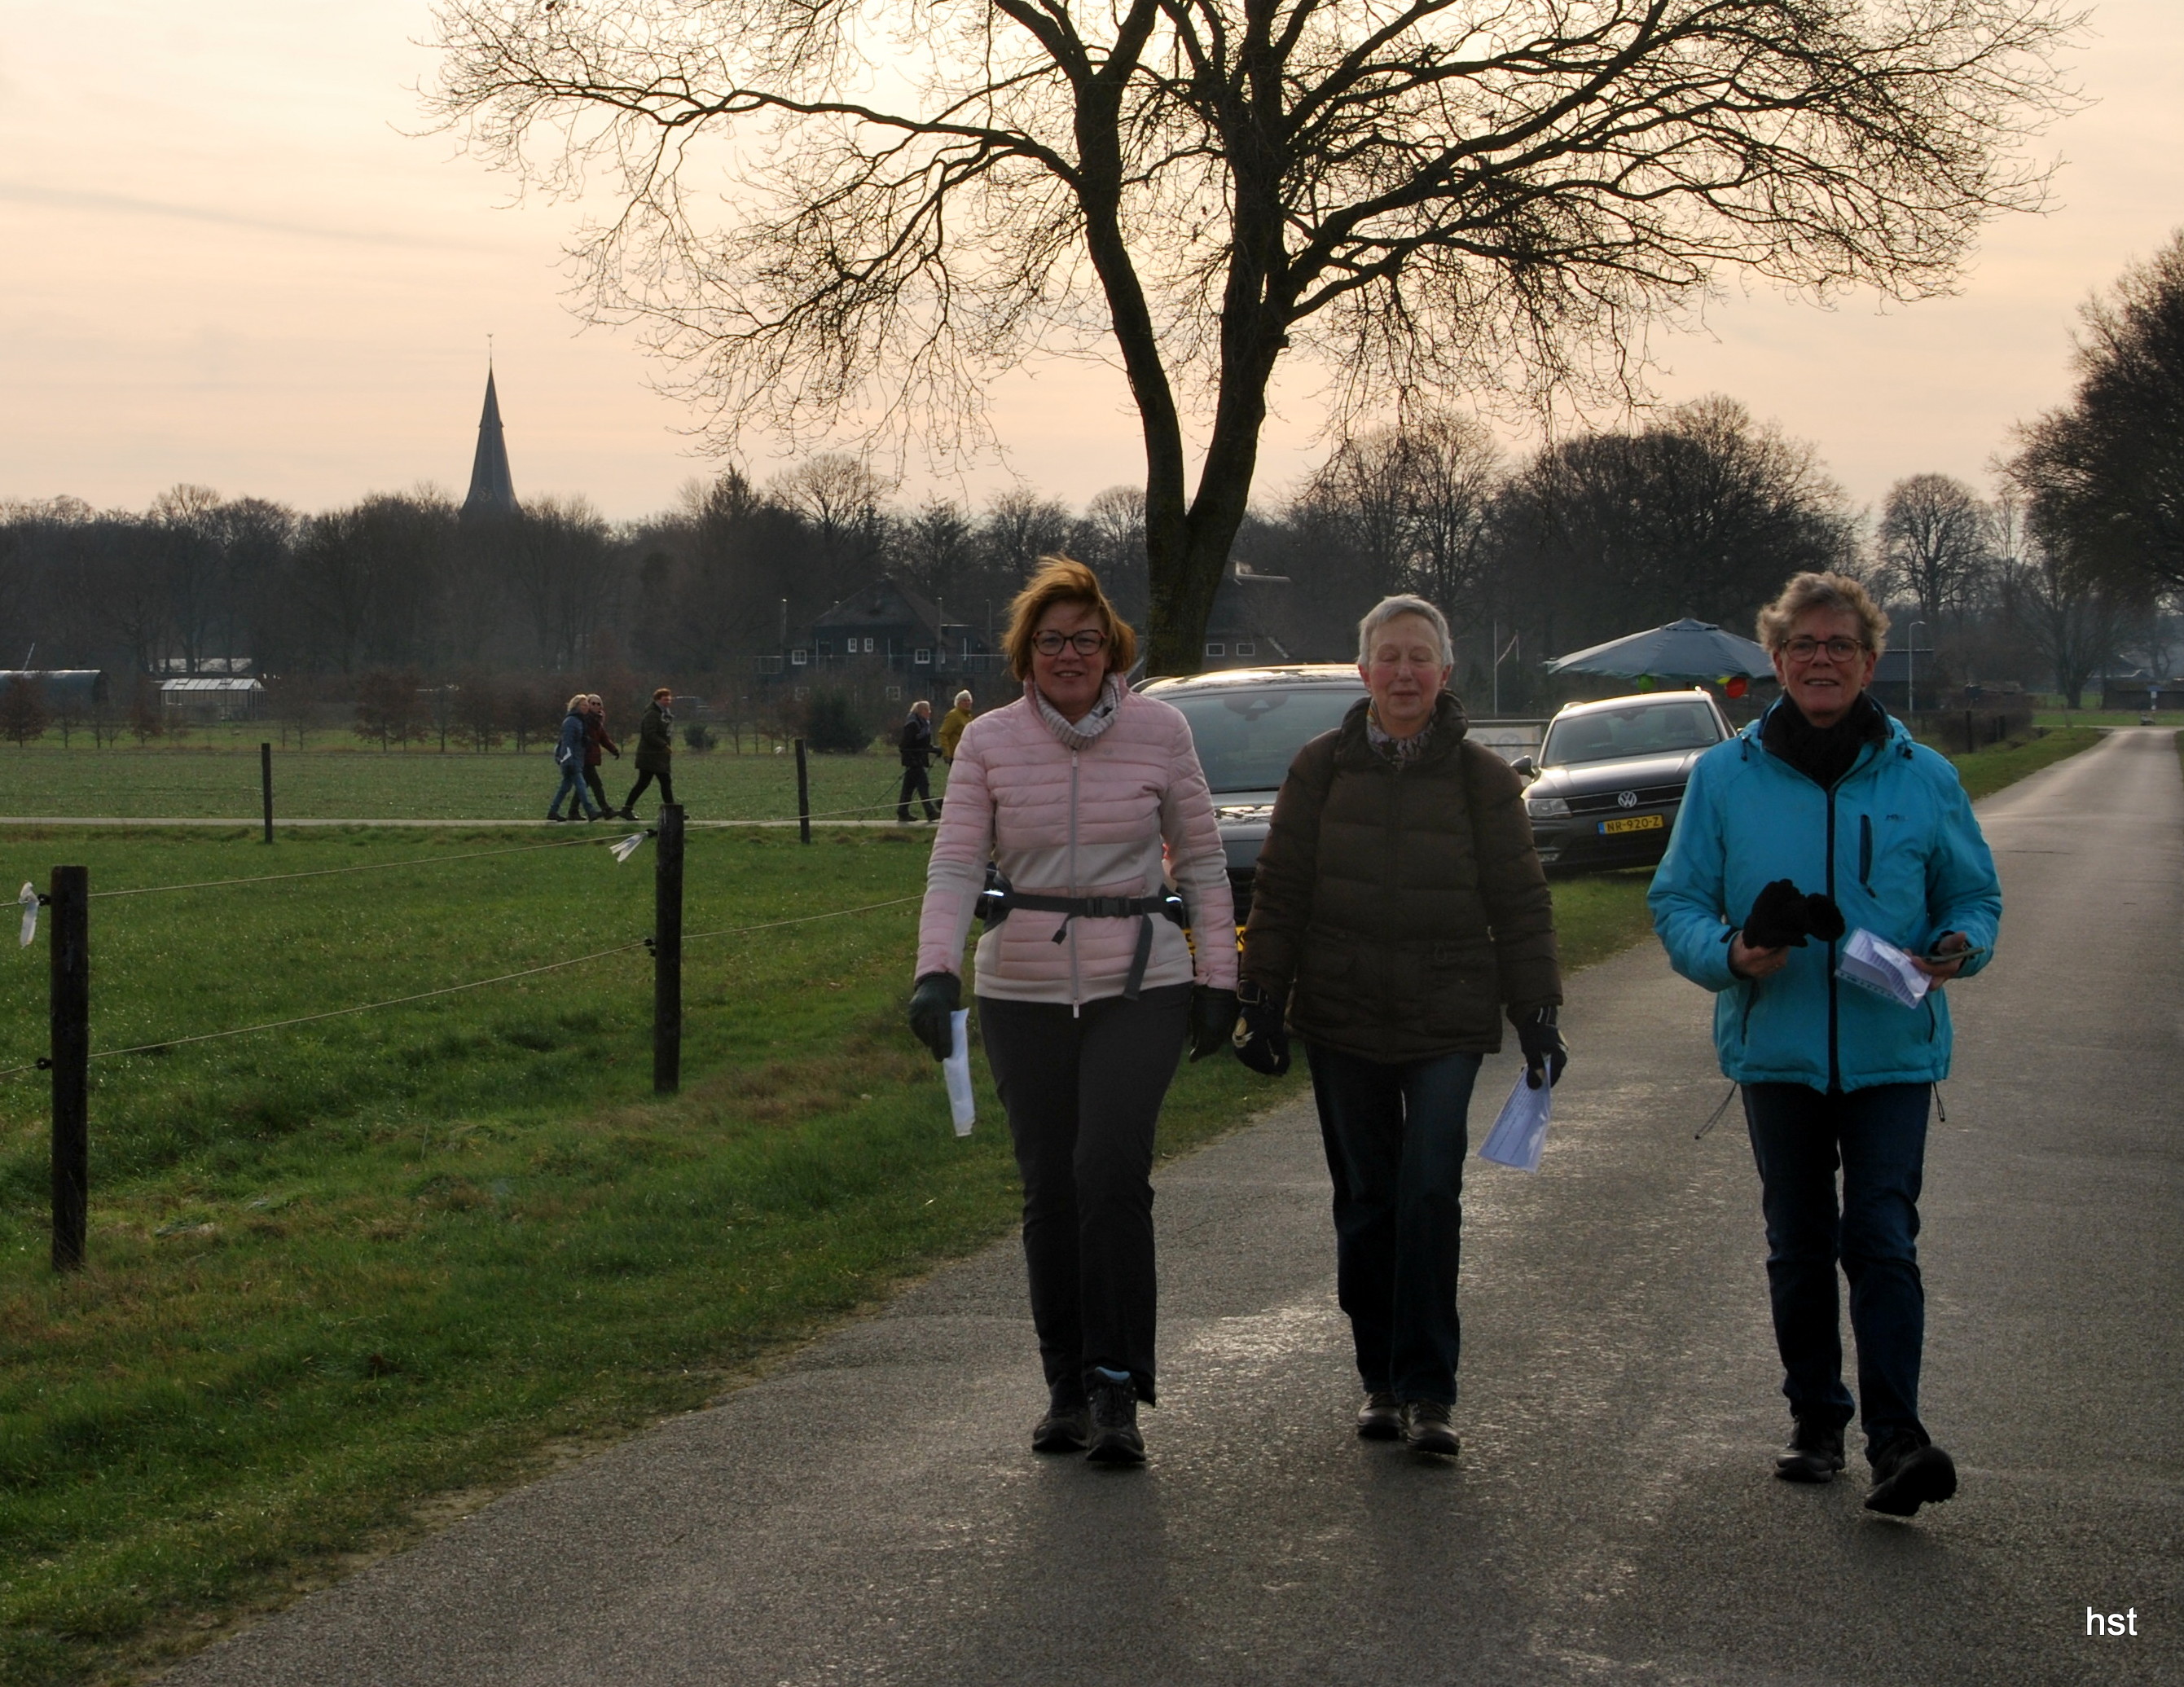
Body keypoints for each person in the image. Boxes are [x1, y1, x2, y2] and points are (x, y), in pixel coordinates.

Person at [1650, 570, 2002, 1518]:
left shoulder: (1922, 775)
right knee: (1798, 1241)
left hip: (1893, 1044)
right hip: (1778, 1051)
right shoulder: (1722, 778)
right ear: (1772, 661)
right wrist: (1728, 953)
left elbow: (1974, 894)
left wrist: (1961, 945)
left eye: (1837, 644)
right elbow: (1674, 899)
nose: (1819, 659)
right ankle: (1815, 1420)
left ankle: (1897, 1440)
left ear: (1868, 660)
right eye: (1801, 644)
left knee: (1880, 1236)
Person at [907, 557, 1237, 1465]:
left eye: (1084, 640)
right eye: (1050, 640)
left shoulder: (1161, 733)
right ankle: (1063, 1385)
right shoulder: (987, 743)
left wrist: (1219, 978)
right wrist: (935, 971)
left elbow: (1203, 861)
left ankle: (1117, 1383)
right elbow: (953, 864)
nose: (1067, 655)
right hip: (1022, 985)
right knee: (1050, 1184)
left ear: (1110, 648)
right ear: (1025, 652)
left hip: (1141, 980)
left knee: (1109, 1170)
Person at [1235, 595, 1564, 1457]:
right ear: (1363, 673)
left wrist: (1536, 1010)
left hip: (1446, 1014)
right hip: (1341, 1014)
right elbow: (1279, 891)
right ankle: (1377, 1376)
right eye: (1389, 658)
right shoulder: (1317, 771)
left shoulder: (1485, 781)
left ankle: (1428, 1388)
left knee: (1428, 1191)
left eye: (1420, 658)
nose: (1405, 673)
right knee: (1366, 1200)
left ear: (1445, 675)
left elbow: (1521, 904)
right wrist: (1259, 998)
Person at [619, 688, 676, 819]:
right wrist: (663, 745)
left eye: (669, 699)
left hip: (657, 756)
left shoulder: (664, 714)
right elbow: (649, 734)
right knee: (659, 781)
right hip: (650, 755)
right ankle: (671, 812)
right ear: (657, 700)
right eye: (665, 699)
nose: (668, 702)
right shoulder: (652, 714)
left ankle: (627, 809)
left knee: (651, 782)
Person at [547, 695, 603, 822]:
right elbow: (567, 742)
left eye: (587, 706)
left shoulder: (579, 720)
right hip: (571, 759)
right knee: (581, 785)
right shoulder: (572, 721)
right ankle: (591, 811)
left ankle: (553, 811)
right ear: (576, 706)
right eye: (583, 705)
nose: (586, 708)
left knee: (565, 787)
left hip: (575, 758)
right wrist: (568, 759)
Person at [896, 699, 942, 822]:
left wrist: (936, 750)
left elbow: (923, 745)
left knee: (909, 787)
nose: (929, 712)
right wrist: (911, 758)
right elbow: (904, 745)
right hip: (913, 761)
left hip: (918, 760)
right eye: (927, 709)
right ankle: (930, 811)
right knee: (923, 784)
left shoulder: (923, 725)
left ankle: (902, 812)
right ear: (920, 711)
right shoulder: (913, 725)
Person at [582, 694, 620, 822]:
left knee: (584, 784)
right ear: (588, 704)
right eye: (593, 703)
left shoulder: (597, 721)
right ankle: (606, 809)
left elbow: (604, 738)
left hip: (591, 757)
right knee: (596, 784)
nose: (596, 706)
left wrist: (613, 750)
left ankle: (573, 811)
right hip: (585, 757)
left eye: (599, 704)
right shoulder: (585, 720)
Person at [937, 690, 974, 761]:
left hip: (966, 755)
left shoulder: (968, 716)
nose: (967, 703)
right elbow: (943, 734)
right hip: (956, 755)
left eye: (969, 700)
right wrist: (947, 753)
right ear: (958, 703)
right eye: (964, 701)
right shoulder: (953, 715)